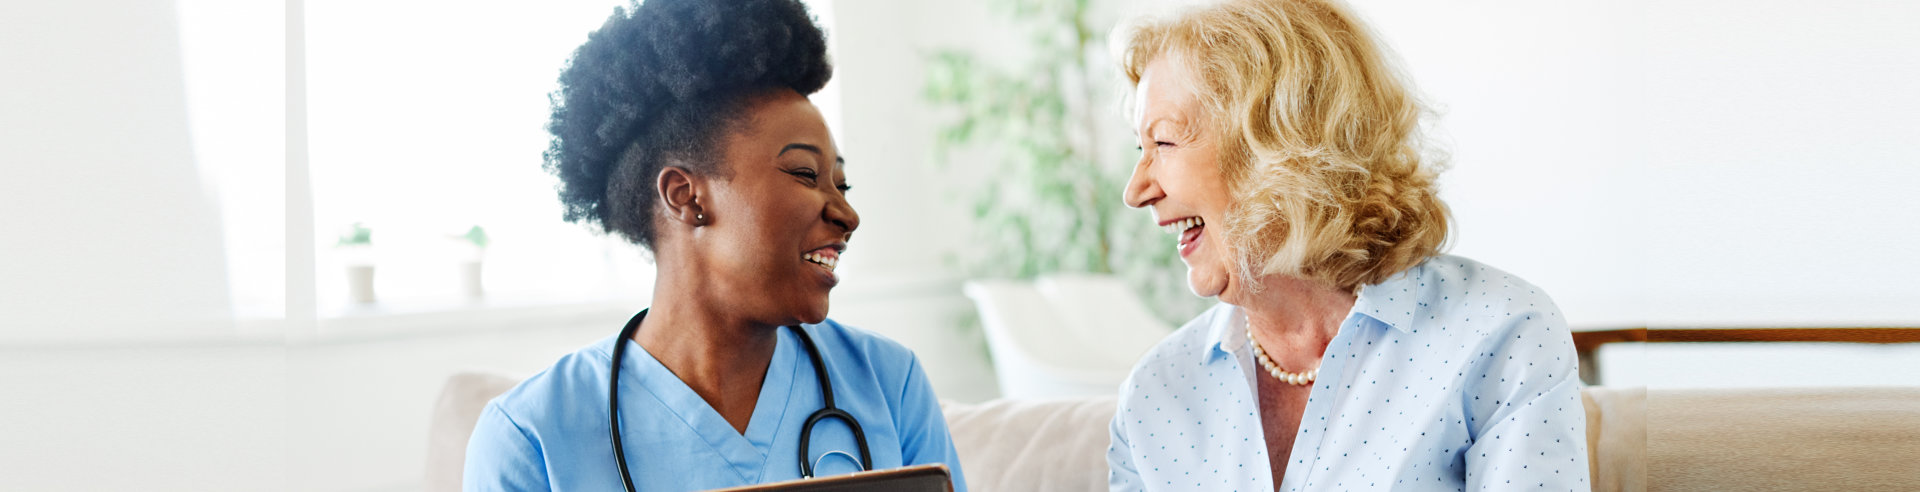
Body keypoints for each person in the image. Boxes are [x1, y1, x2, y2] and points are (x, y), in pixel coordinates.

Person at [462, 1, 967, 490]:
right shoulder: (531, 437)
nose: (846, 214)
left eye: (842, 185)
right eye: (804, 174)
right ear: (685, 196)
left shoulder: (888, 383)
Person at [1105, 0, 1589, 490]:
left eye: (1163, 144)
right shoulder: (1152, 398)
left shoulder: (1501, 335)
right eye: (1138, 149)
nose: (1136, 190)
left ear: (1277, 144)